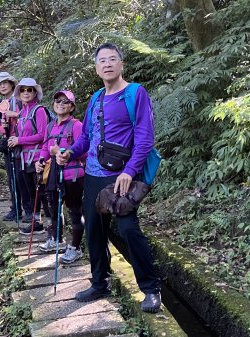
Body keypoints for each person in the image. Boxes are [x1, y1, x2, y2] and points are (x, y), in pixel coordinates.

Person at [56, 43, 162, 312]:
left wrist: (129, 171)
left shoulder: (135, 93)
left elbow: (145, 138)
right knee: (94, 230)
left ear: (121, 64)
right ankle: (99, 282)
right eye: (102, 60)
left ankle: (151, 289)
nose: (107, 64)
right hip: (92, 175)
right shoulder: (96, 99)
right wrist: (69, 153)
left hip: (121, 177)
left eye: (112, 59)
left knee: (128, 229)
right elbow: (87, 138)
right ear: (96, 67)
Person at [35, 90, 85, 264]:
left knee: (74, 211)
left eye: (65, 101)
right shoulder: (50, 126)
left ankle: (75, 248)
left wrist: (61, 152)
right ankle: (56, 239)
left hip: (73, 175)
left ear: (72, 106)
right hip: (54, 174)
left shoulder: (77, 126)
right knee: (54, 209)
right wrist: (40, 161)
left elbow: (84, 151)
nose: (61, 104)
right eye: (57, 100)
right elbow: (45, 147)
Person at [7, 78, 50, 233]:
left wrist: (19, 140)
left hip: (38, 158)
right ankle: (36, 223)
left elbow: (42, 135)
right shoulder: (23, 112)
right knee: (32, 193)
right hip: (25, 159)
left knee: (43, 194)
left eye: (29, 90)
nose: (26, 92)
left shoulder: (39, 110)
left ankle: (52, 227)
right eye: (23, 90)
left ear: (35, 92)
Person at [0, 72, 23, 222]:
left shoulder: (21, 101)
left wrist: (14, 115)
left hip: (22, 143)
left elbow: (26, 118)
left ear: (11, 84)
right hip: (8, 144)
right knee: (11, 178)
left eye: (5, 83)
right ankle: (15, 209)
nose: (2, 86)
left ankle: (30, 211)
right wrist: (4, 128)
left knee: (22, 178)